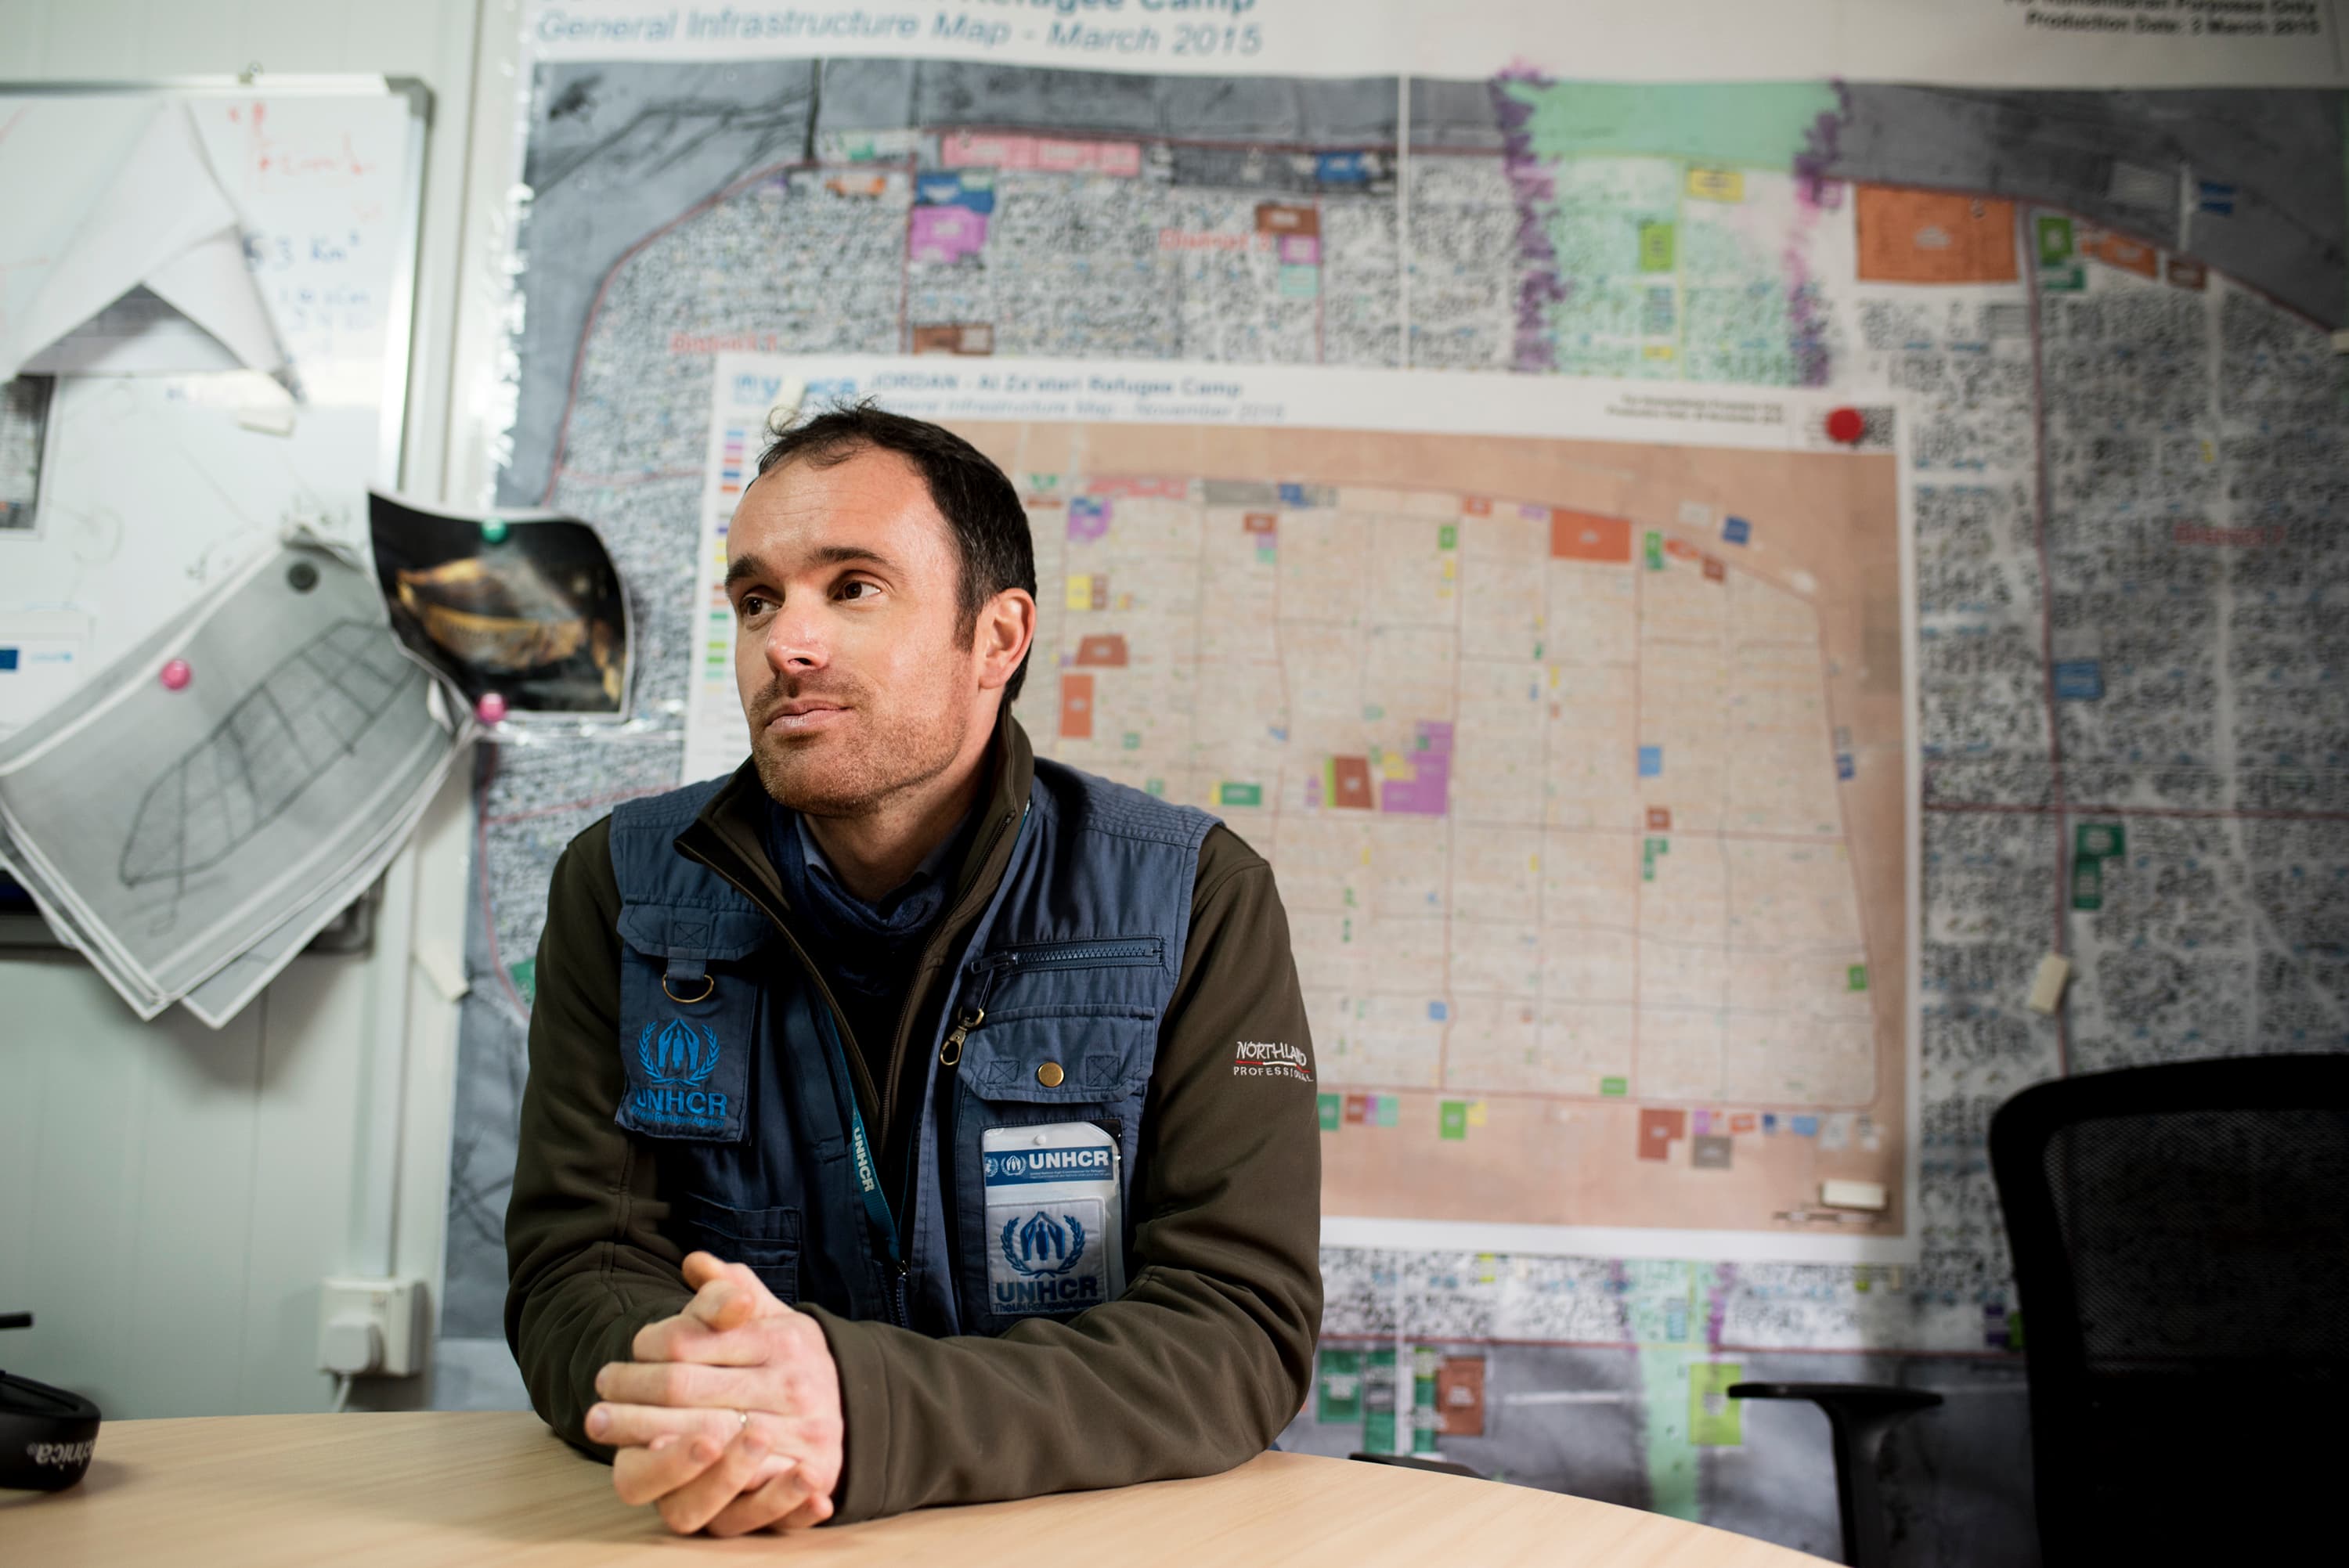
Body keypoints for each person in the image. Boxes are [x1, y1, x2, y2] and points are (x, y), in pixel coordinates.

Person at [504, 403, 1323, 1535]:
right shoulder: (621, 888)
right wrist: (711, 1407)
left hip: (1085, 1540)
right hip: (743, 1530)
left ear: (997, 639)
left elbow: (1237, 1329)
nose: (789, 643)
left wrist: (860, 1410)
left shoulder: (1198, 898)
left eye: (852, 587)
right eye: (757, 601)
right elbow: (577, 1272)